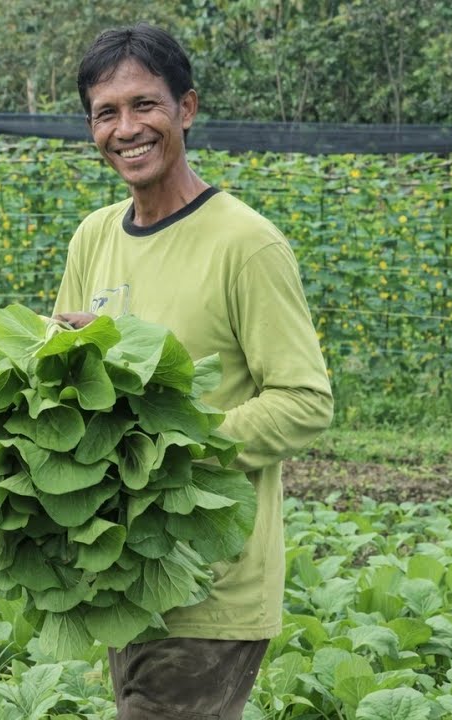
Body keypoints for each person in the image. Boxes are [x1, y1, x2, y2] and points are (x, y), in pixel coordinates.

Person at [52, 23, 335, 720]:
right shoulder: (95, 235)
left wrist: (172, 449)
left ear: (187, 108)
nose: (127, 129)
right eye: (105, 113)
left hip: (210, 584)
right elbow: (58, 384)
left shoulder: (246, 243)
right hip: (122, 575)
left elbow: (303, 401)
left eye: (145, 105)